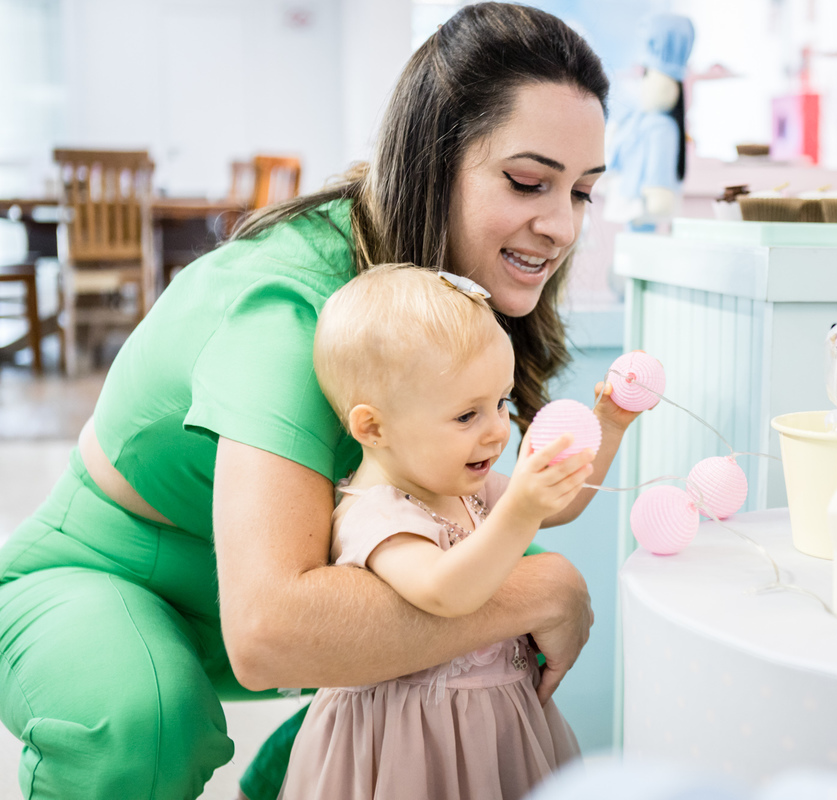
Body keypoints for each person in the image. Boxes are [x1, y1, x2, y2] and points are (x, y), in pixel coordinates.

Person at [0, 4, 618, 798]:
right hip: (116, 571)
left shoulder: (441, 291)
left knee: (458, 636)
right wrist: (547, 587)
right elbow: (268, 631)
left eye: (583, 193)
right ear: (433, 161)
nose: (561, 224)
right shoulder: (290, 310)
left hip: (289, 566)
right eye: (530, 182)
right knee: (146, 722)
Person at [279, 265, 621, 799]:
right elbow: (445, 590)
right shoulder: (377, 516)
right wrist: (520, 511)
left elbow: (566, 502)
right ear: (373, 427)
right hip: (412, 749)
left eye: (501, 403)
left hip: (495, 729)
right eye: (467, 415)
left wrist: (611, 422)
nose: (496, 429)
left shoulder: (463, 487)